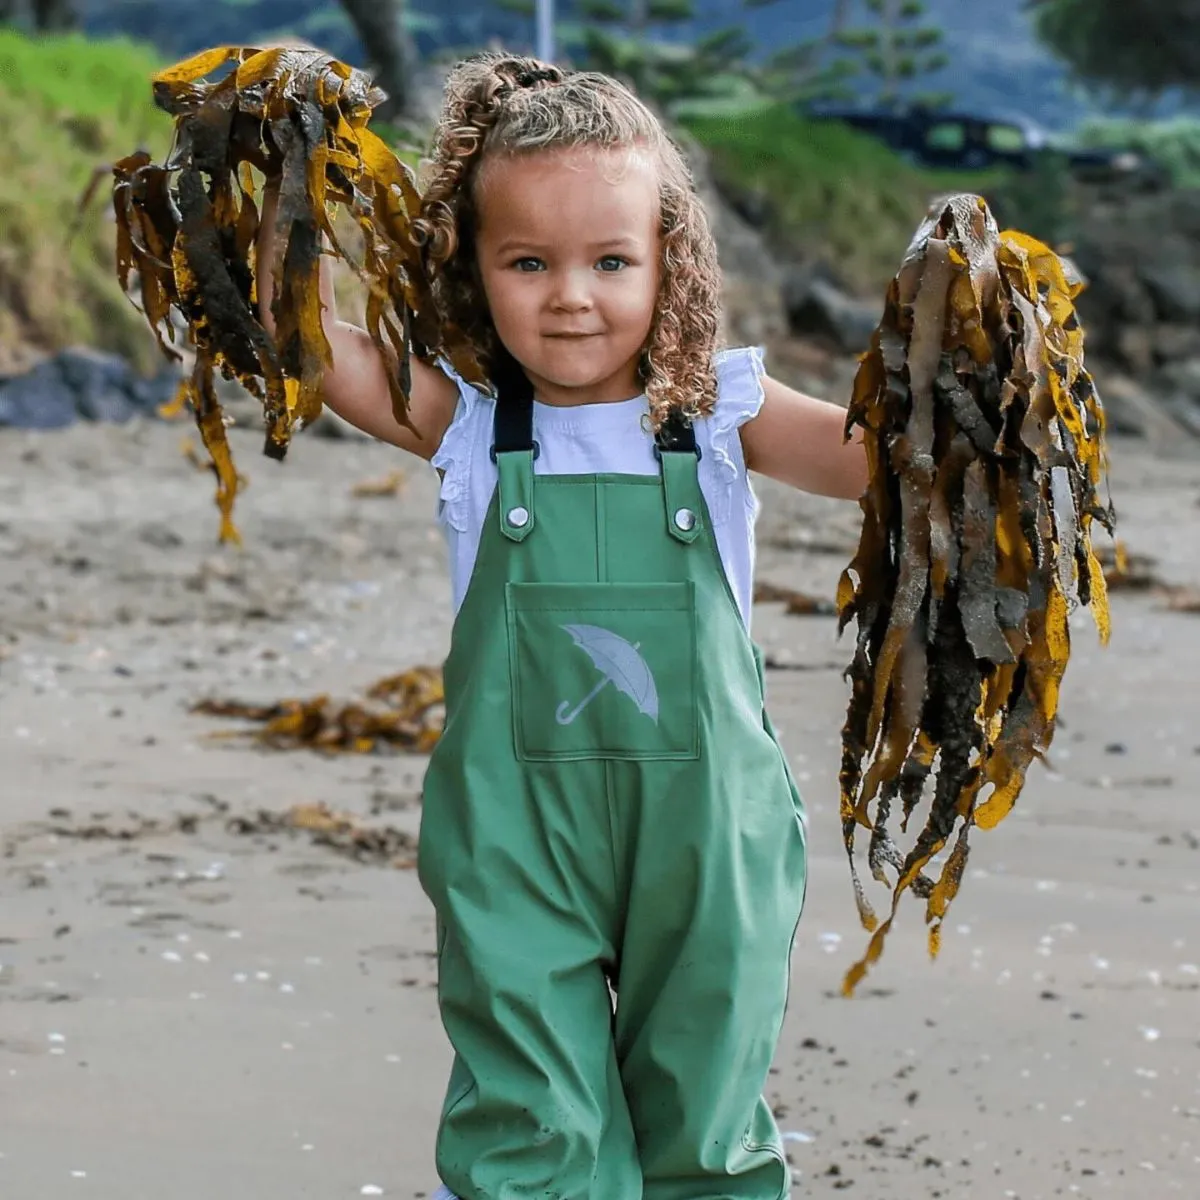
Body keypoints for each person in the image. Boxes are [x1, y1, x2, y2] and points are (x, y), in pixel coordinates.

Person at [258, 51, 868, 1200]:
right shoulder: (471, 423)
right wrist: (259, 211)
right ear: (471, 266)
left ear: (668, 263)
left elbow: (875, 457)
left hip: (709, 828)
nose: (570, 295)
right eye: (526, 262)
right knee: (528, 1112)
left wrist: (977, 391)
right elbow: (314, 348)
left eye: (610, 261)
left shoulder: (722, 413)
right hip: (514, 828)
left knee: (706, 1101)